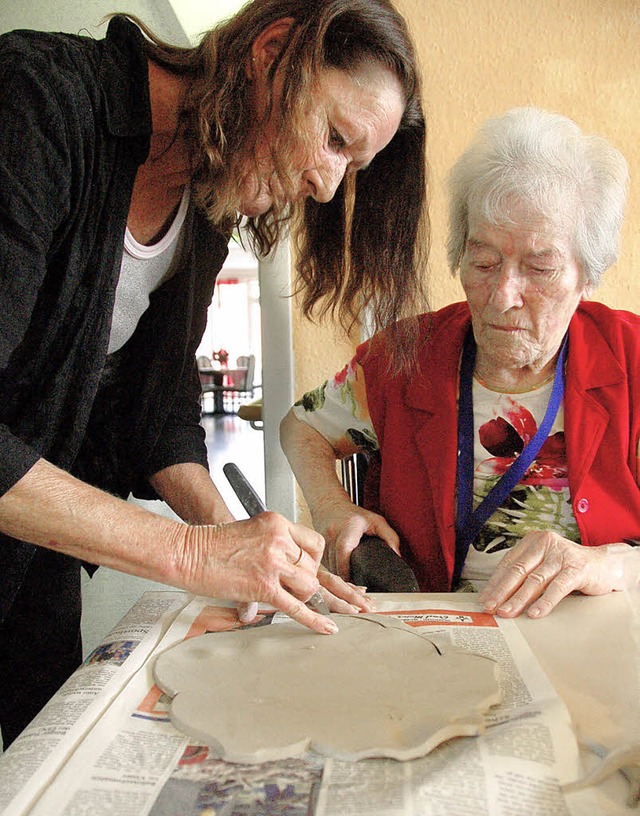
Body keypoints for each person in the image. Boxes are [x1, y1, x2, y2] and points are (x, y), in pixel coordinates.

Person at [0, 0, 429, 747]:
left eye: (352, 166)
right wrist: (196, 554)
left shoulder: (204, 209)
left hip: (34, 560)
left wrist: (238, 539)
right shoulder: (36, 105)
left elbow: (156, 416)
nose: (328, 187)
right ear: (270, 51)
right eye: (333, 140)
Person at [281, 106, 640, 623]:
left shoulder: (630, 362)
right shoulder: (403, 357)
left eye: (539, 268)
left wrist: (610, 564)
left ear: (588, 275)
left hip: (595, 648)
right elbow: (300, 428)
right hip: (435, 638)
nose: (502, 296)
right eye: (484, 261)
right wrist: (332, 507)